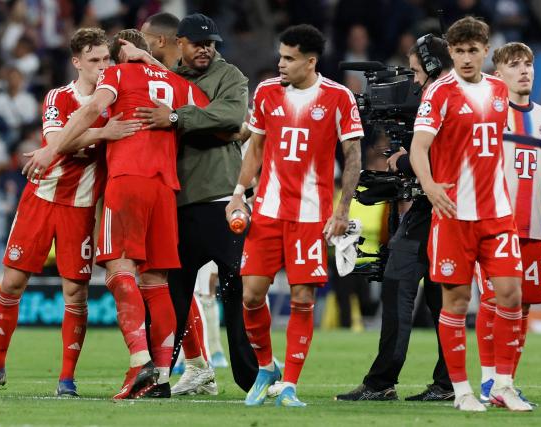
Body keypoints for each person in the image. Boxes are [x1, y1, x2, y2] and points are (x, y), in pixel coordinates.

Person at [30, 29, 209, 399]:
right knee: (157, 280)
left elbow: (92, 110)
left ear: (121, 54)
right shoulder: (174, 81)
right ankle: (159, 378)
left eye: (109, 57)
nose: (105, 65)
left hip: (128, 178)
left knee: (117, 269)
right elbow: (207, 109)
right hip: (166, 186)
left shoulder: (117, 75)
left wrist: (52, 150)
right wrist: (156, 65)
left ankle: (138, 361)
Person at [0, 28, 134, 397]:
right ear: (77, 62)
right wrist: (104, 133)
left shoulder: (116, 99)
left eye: (107, 59)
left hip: (80, 207)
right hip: (40, 199)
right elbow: (54, 143)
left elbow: (64, 143)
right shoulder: (58, 97)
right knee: (12, 283)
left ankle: (66, 379)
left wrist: (96, 133)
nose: (103, 66)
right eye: (94, 60)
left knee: (75, 293)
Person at [226, 24, 364, 407]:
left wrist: (342, 209)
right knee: (251, 296)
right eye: (280, 56)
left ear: (310, 61)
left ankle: (289, 383)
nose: (280, 64)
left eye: (289, 58)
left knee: (302, 298)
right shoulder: (267, 92)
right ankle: (267, 366)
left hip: (310, 215)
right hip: (267, 210)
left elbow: (352, 155)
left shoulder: (338, 97)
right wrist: (239, 194)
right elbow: (255, 146)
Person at [124, 13, 258, 394]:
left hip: (222, 199)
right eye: (198, 43)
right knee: (171, 295)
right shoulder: (169, 79)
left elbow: (231, 115)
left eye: (211, 43)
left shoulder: (230, 76)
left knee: (237, 289)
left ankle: (251, 379)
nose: (206, 50)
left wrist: (177, 118)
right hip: (177, 201)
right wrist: (209, 125)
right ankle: (159, 379)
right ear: (178, 43)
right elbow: (221, 122)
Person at [408, 17, 532, 412]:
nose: (465, 58)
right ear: (451, 51)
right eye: (458, 51)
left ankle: (504, 385)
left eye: (472, 50)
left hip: (496, 213)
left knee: (511, 294)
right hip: (454, 215)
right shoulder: (439, 93)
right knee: (457, 302)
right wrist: (428, 185)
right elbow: (419, 147)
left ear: (484, 49)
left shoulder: (499, 89)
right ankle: (461, 390)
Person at [337, 35, 454, 402]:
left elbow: (439, 160)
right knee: (443, 297)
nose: (415, 82)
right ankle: (448, 383)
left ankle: (381, 382)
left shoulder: (444, 95)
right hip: (445, 210)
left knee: (399, 283)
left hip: (436, 207)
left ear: (433, 66)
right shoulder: (464, 93)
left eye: (418, 72)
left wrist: (403, 160)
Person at [475, 42, 541, 404]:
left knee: (523, 305)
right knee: (496, 302)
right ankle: (489, 380)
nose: (525, 70)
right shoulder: (487, 114)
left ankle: (506, 381)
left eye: (528, 64)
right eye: (514, 65)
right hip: (494, 226)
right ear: (498, 75)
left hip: (532, 229)